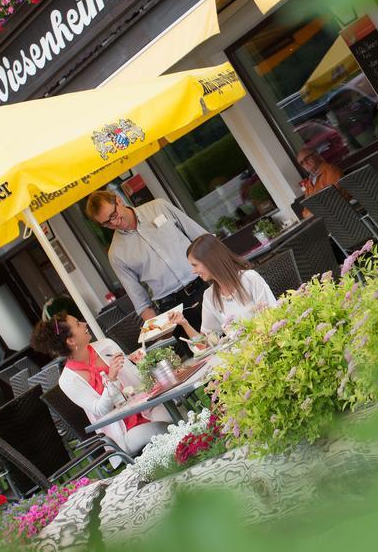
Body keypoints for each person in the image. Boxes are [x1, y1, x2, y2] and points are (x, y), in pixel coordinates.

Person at [85, 190, 207, 356]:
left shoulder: (159, 207)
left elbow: (202, 238)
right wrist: (161, 335)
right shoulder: (116, 253)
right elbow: (140, 302)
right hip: (173, 308)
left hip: (204, 284)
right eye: (106, 223)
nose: (114, 223)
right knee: (203, 359)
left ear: (119, 200)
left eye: (113, 215)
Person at [30, 313, 169, 454]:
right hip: (123, 433)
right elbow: (100, 410)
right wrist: (112, 378)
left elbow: (136, 376)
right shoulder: (67, 381)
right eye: (78, 323)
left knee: (176, 413)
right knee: (162, 429)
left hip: (147, 409)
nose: (84, 324)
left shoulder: (106, 346)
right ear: (71, 340)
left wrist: (145, 364)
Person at [168, 234, 277, 339]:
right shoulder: (209, 296)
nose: (193, 271)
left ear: (210, 260)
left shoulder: (249, 279)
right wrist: (184, 323)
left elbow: (273, 316)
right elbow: (206, 343)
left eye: (195, 265)